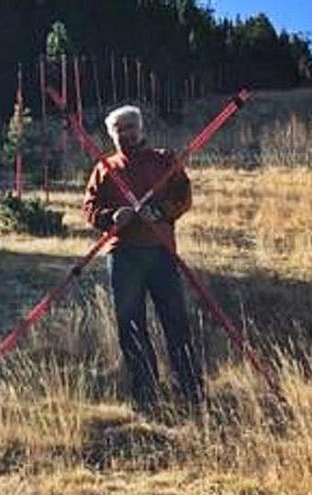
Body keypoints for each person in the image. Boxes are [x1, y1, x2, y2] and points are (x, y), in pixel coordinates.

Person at [83, 105, 203, 411]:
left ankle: (190, 391)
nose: (126, 134)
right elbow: (90, 209)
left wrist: (161, 211)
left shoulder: (163, 160)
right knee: (131, 325)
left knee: (175, 321)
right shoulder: (105, 168)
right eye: (119, 129)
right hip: (123, 255)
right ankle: (146, 393)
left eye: (130, 127)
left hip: (160, 251)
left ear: (141, 128)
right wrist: (111, 217)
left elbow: (183, 196)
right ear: (111, 135)